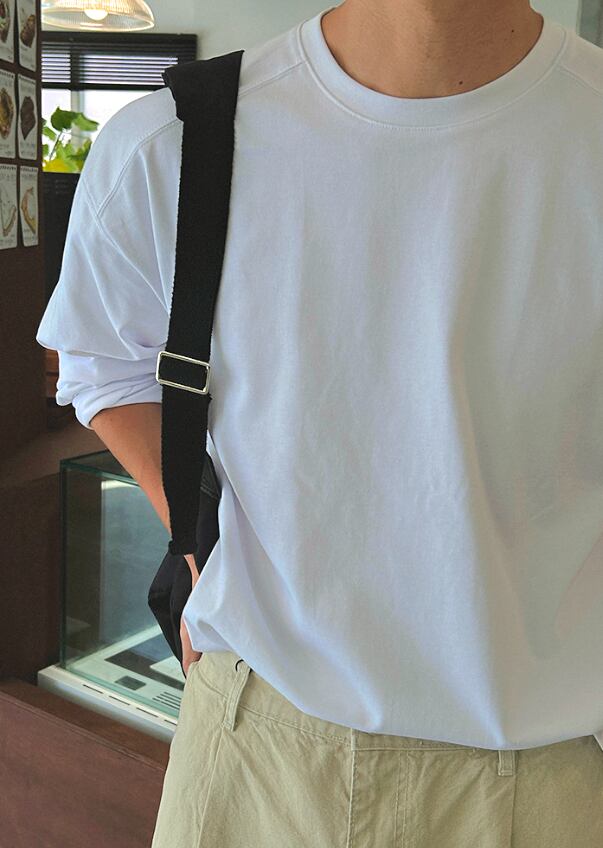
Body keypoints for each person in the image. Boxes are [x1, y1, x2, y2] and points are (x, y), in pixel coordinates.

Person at [36, 1, 603, 844]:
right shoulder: (175, 139)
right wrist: (195, 536)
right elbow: (102, 363)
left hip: (549, 773)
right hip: (253, 751)